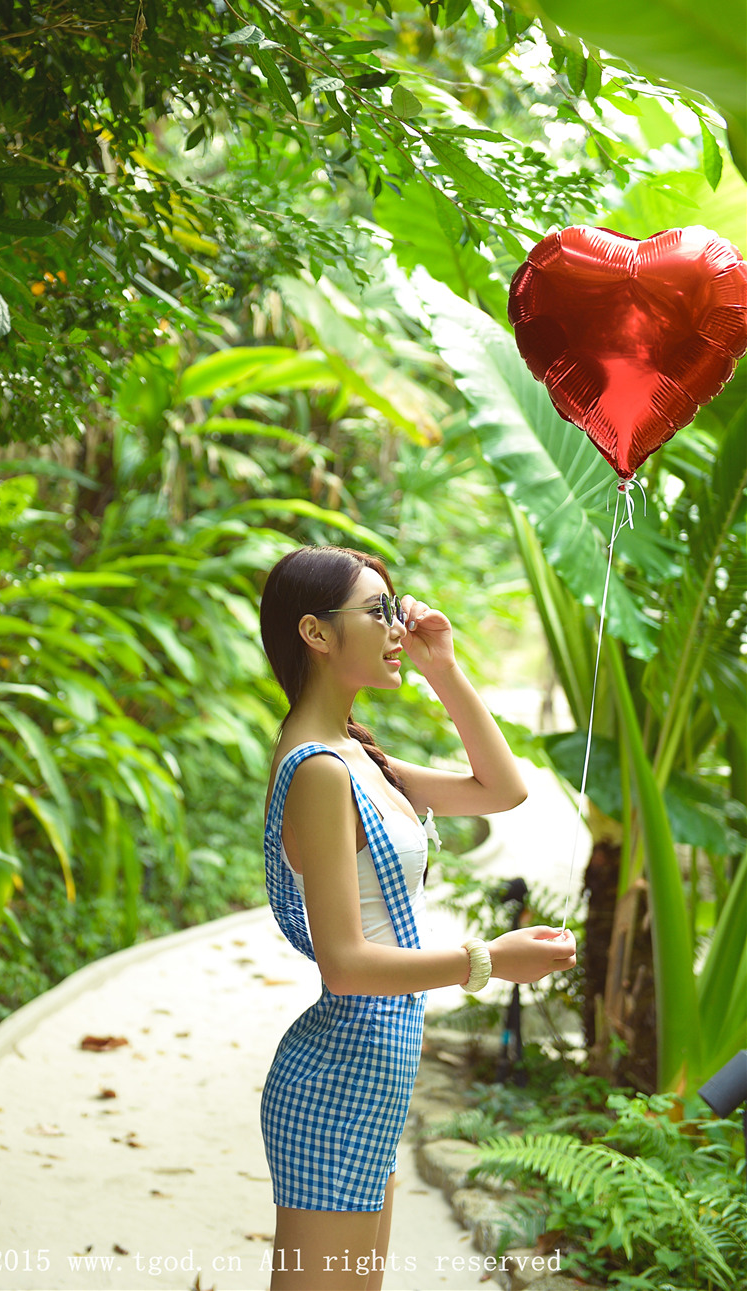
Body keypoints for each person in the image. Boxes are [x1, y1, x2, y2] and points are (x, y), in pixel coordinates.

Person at [258, 545, 577, 1291]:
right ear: (315, 632)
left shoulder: (358, 757)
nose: (396, 625)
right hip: (336, 1082)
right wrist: (489, 961)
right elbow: (346, 962)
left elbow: (502, 789)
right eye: (378, 611)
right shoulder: (317, 769)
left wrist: (443, 670)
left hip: (369, 1076)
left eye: (394, 608)